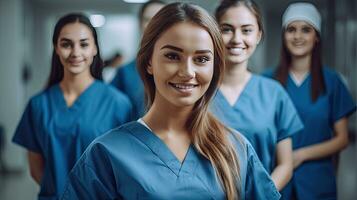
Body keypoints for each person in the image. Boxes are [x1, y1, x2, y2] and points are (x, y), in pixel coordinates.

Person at [61, 3, 280, 200]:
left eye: (202, 59)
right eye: (173, 56)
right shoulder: (107, 154)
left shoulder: (235, 148)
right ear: (149, 62)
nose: (187, 72)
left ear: (214, 68)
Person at [12, 13, 133, 199]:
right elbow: (36, 170)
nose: (75, 52)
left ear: (95, 49)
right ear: (56, 48)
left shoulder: (118, 103)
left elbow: (124, 167)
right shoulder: (38, 105)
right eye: (66, 44)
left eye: (84, 44)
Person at [264, 2, 356, 199]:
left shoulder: (332, 83)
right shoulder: (266, 82)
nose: (298, 36)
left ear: (316, 38)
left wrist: (299, 155)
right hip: (275, 181)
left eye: (306, 30)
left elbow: (342, 139)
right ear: (284, 36)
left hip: (318, 183)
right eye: (291, 29)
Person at [212, 0, 304, 191]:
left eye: (246, 30)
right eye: (227, 29)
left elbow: (285, 165)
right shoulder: (198, 93)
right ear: (214, 33)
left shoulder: (274, 93)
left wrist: (262, 194)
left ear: (258, 35)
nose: (237, 39)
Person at [111, 0, 166, 119]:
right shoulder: (125, 73)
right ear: (140, 24)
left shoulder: (184, 69)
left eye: (160, 19)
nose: (154, 24)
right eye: (148, 19)